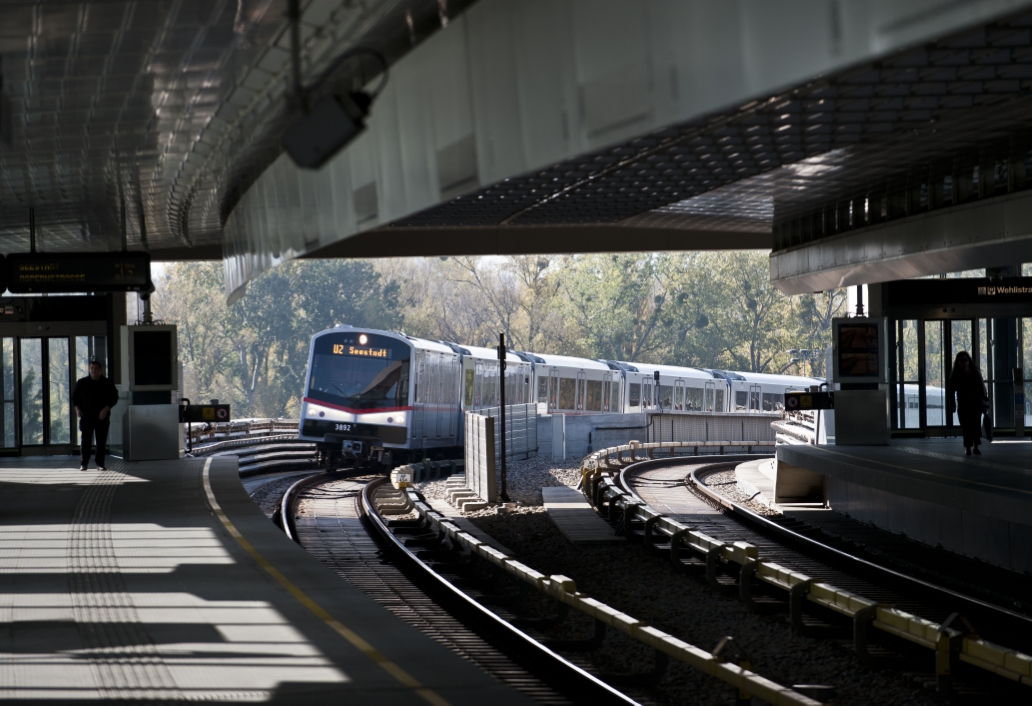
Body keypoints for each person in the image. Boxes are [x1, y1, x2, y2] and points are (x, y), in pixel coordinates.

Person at [72, 359, 119, 471]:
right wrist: (77, 410)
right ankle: (84, 463)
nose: (93, 370)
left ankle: (100, 464)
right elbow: (75, 398)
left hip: (102, 417)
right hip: (86, 416)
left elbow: (114, 398)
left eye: (96, 368)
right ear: (89, 369)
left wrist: (106, 409)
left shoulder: (107, 383)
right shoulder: (82, 383)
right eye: (91, 368)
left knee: (101, 441)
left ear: (100, 370)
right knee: (86, 441)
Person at [947, 351, 987, 456]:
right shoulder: (956, 374)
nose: (964, 362)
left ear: (969, 361)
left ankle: (975, 447)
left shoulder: (974, 372)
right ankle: (969, 448)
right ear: (958, 362)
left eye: (965, 360)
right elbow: (951, 391)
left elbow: (982, 387)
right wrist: (952, 405)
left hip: (975, 404)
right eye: (961, 360)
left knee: (976, 426)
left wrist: (984, 400)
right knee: (966, 427)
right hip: (963, 404)